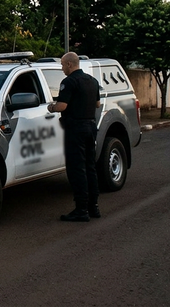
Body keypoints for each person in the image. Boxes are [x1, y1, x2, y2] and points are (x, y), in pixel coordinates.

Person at [47, 52, 101, 222]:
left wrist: (51, 108)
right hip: (90, 126)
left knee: (77, 169)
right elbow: (97, 103)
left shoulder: (69, 82)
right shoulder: (92, 81)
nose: (62, 69)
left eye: (63, 65)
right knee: (90, 167)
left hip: (76, 129)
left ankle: (81, 210)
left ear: (70, 64)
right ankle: (94, 207)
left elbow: (62, 106)